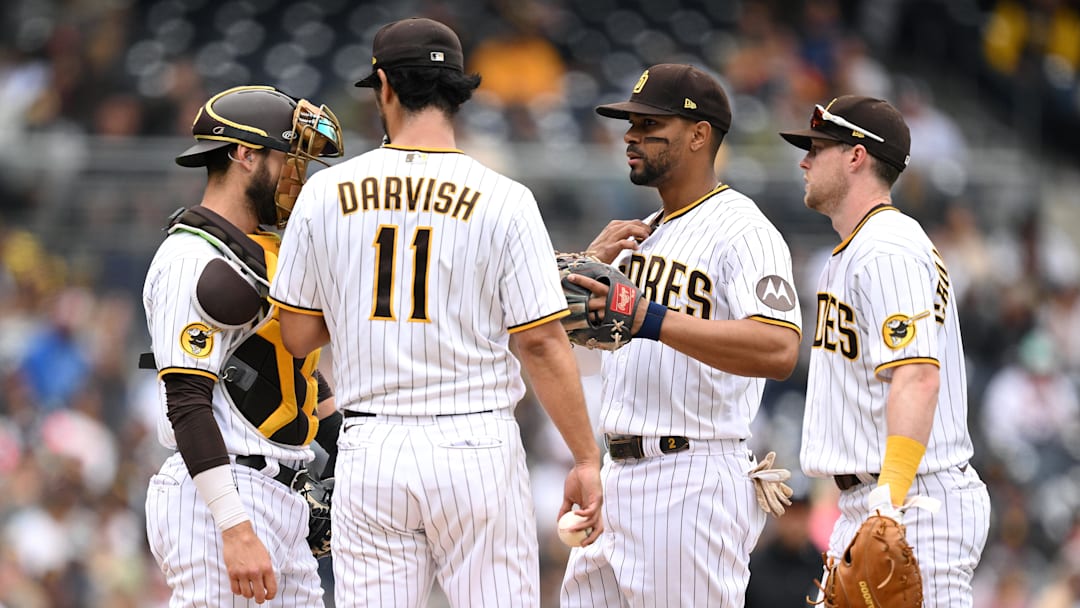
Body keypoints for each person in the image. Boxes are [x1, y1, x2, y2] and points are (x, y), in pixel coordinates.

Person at [267, 17, 603, 608]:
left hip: (372, 442)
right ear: (458, 92)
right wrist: (583, 455)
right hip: (475, 443)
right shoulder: (505, 197)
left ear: (384, 86)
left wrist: (361, 311)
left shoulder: (326, 192)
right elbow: (543, 344)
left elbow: (295, 336)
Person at [559, 63, 803, 607]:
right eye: (631, 124)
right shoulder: (643, 234)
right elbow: (576, 331)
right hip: (618, 474)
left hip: (691, 478)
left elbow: (780, 348)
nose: (631, 135)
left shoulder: (744, 229)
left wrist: (652, 317)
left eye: (650, 125)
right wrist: (583, 265)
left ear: (699, 134)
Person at [779, 94, 991, 606]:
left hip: (910, 500)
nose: (804, 160)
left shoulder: (887, 247)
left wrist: (889, 500)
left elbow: (917, 375)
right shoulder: (856, 249)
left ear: (856, 156)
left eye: (818, 148)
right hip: (874, 500)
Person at [141, 84, 344, 605]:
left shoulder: (263, 252)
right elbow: (186, 401)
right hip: (219, 495)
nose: (297, 177)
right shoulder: (192, 259)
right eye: (289, 159)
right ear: (245, 154)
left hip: (278, 493)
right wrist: (234, 527)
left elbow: (289, 369)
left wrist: (340, 458)